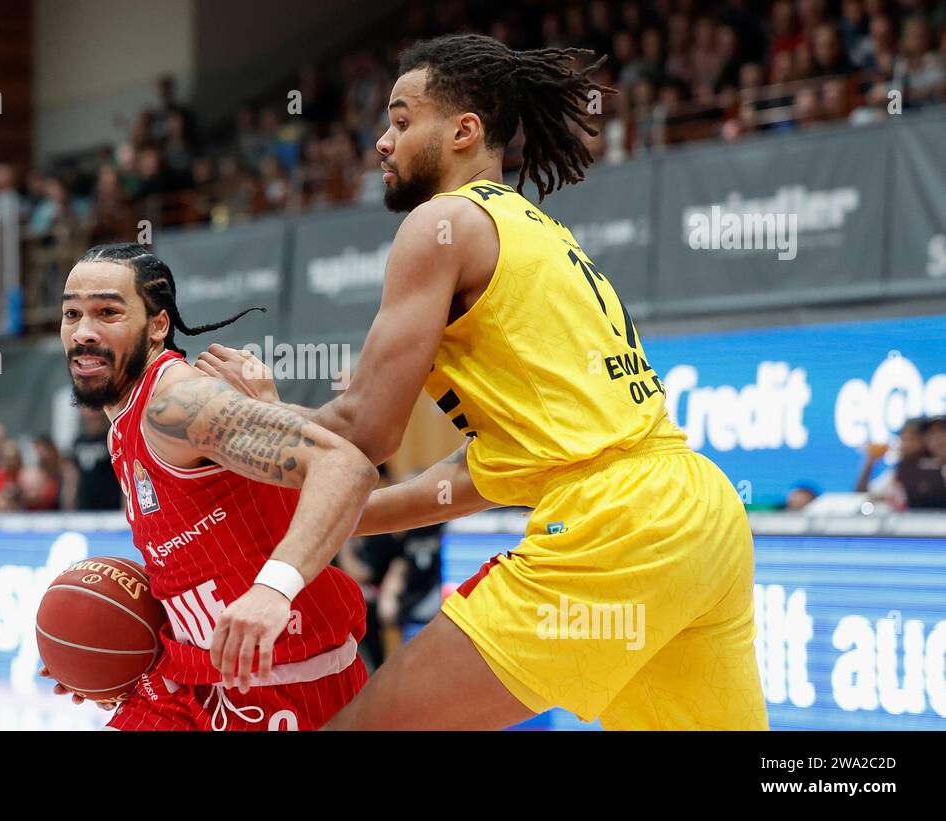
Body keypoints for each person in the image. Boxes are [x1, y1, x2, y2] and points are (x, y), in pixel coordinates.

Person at [198, 34, 767, 730]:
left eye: (402, 120)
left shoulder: (443, 223)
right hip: (697, 514)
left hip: (614, 526)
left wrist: (241, 421)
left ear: (465, 131)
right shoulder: (536, 230)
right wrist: (344, 510)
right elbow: (485, 467)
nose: (382, 141)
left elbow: (363, 428)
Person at [40, 243, 377, 731]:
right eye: (72, 313)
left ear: (158, 325)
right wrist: (91, 647)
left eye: (107, 312)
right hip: (191, 679)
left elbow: (346, 468)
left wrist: (273, 589)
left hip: (288, 686)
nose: (84, 332)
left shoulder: (175, 404)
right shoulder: (125, 422)